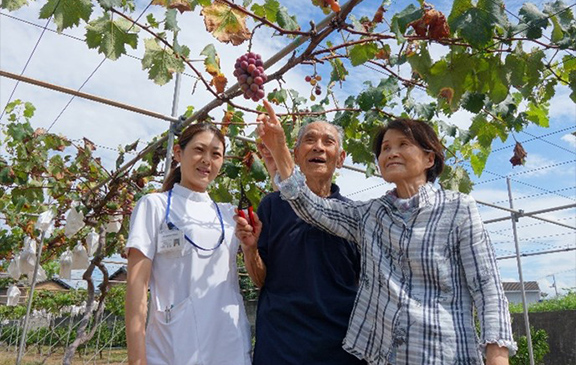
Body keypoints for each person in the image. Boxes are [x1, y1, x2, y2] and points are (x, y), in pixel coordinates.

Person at [256, 101, 517, 365]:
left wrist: (497, 354)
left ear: (430, 158)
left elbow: (487, 287)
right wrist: (280, 154)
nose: (392, 152)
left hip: (445, 356)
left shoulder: (458, 209)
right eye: (385, 148)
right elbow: (310, 207)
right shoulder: (371, 215)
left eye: (403, 144)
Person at [235, 105, 366, 365]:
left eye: (328, 142)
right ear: (295, 155)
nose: (318, 147)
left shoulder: (354, 215)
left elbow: (366, 284)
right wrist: (250, 249)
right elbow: (261, 279)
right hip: (281, 347)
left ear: (340, 158)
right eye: (309, 140)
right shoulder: (272, 205)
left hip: (342, 350)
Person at [125, 123, 251, 365]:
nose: (207, 160)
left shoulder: (228, 215)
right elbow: (136, 286)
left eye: (216, 154)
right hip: (173, 345)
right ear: (178, 154)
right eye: (199, 150)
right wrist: (136, 360)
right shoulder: (155, 206)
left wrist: (250, 247)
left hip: (229, 341)